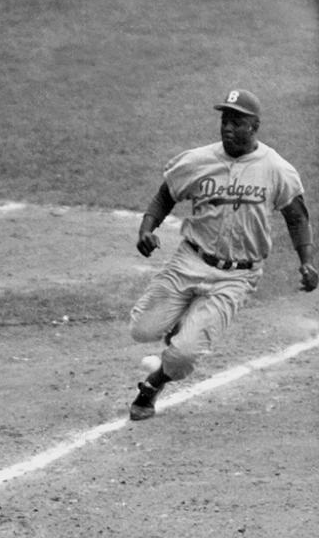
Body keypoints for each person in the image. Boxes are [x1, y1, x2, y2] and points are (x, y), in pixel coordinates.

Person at [128, 88, 317, 420]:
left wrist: (307, 261)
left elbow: (297, 216)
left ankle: (154, 384)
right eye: (225, 120)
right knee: (141, 329)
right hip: (190, 260)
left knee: (183, 354)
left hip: (237, 275)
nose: (228, 127)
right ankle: (185, 323)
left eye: (237, 122)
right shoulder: (198, 160)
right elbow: (166, 194)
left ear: (254, 126)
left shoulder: (276, 169)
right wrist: (147, 227)